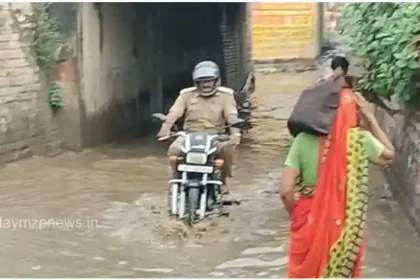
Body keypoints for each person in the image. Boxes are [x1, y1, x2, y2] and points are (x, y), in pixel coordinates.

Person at [280, 67, 395, 278]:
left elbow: (286, 189)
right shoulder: (359, 139)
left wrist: (297, 214)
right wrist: (371, 119)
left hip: (308, 215)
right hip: (344, 216)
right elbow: (389, 155)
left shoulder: (303, 140)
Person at [157, 61, 241, 195]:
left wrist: (235, 133)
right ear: (196, 82)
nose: (206, 84)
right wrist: (165, 128)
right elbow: (175, 112)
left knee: (227, 148)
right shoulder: (186, 95)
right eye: (202, 81)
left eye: (209, 81)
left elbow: (231, 115)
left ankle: (222, 181)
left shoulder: (226, 95)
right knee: (174, 150)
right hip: (189, 135)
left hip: (215, 136)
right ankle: (176, 178)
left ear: (216, 80)